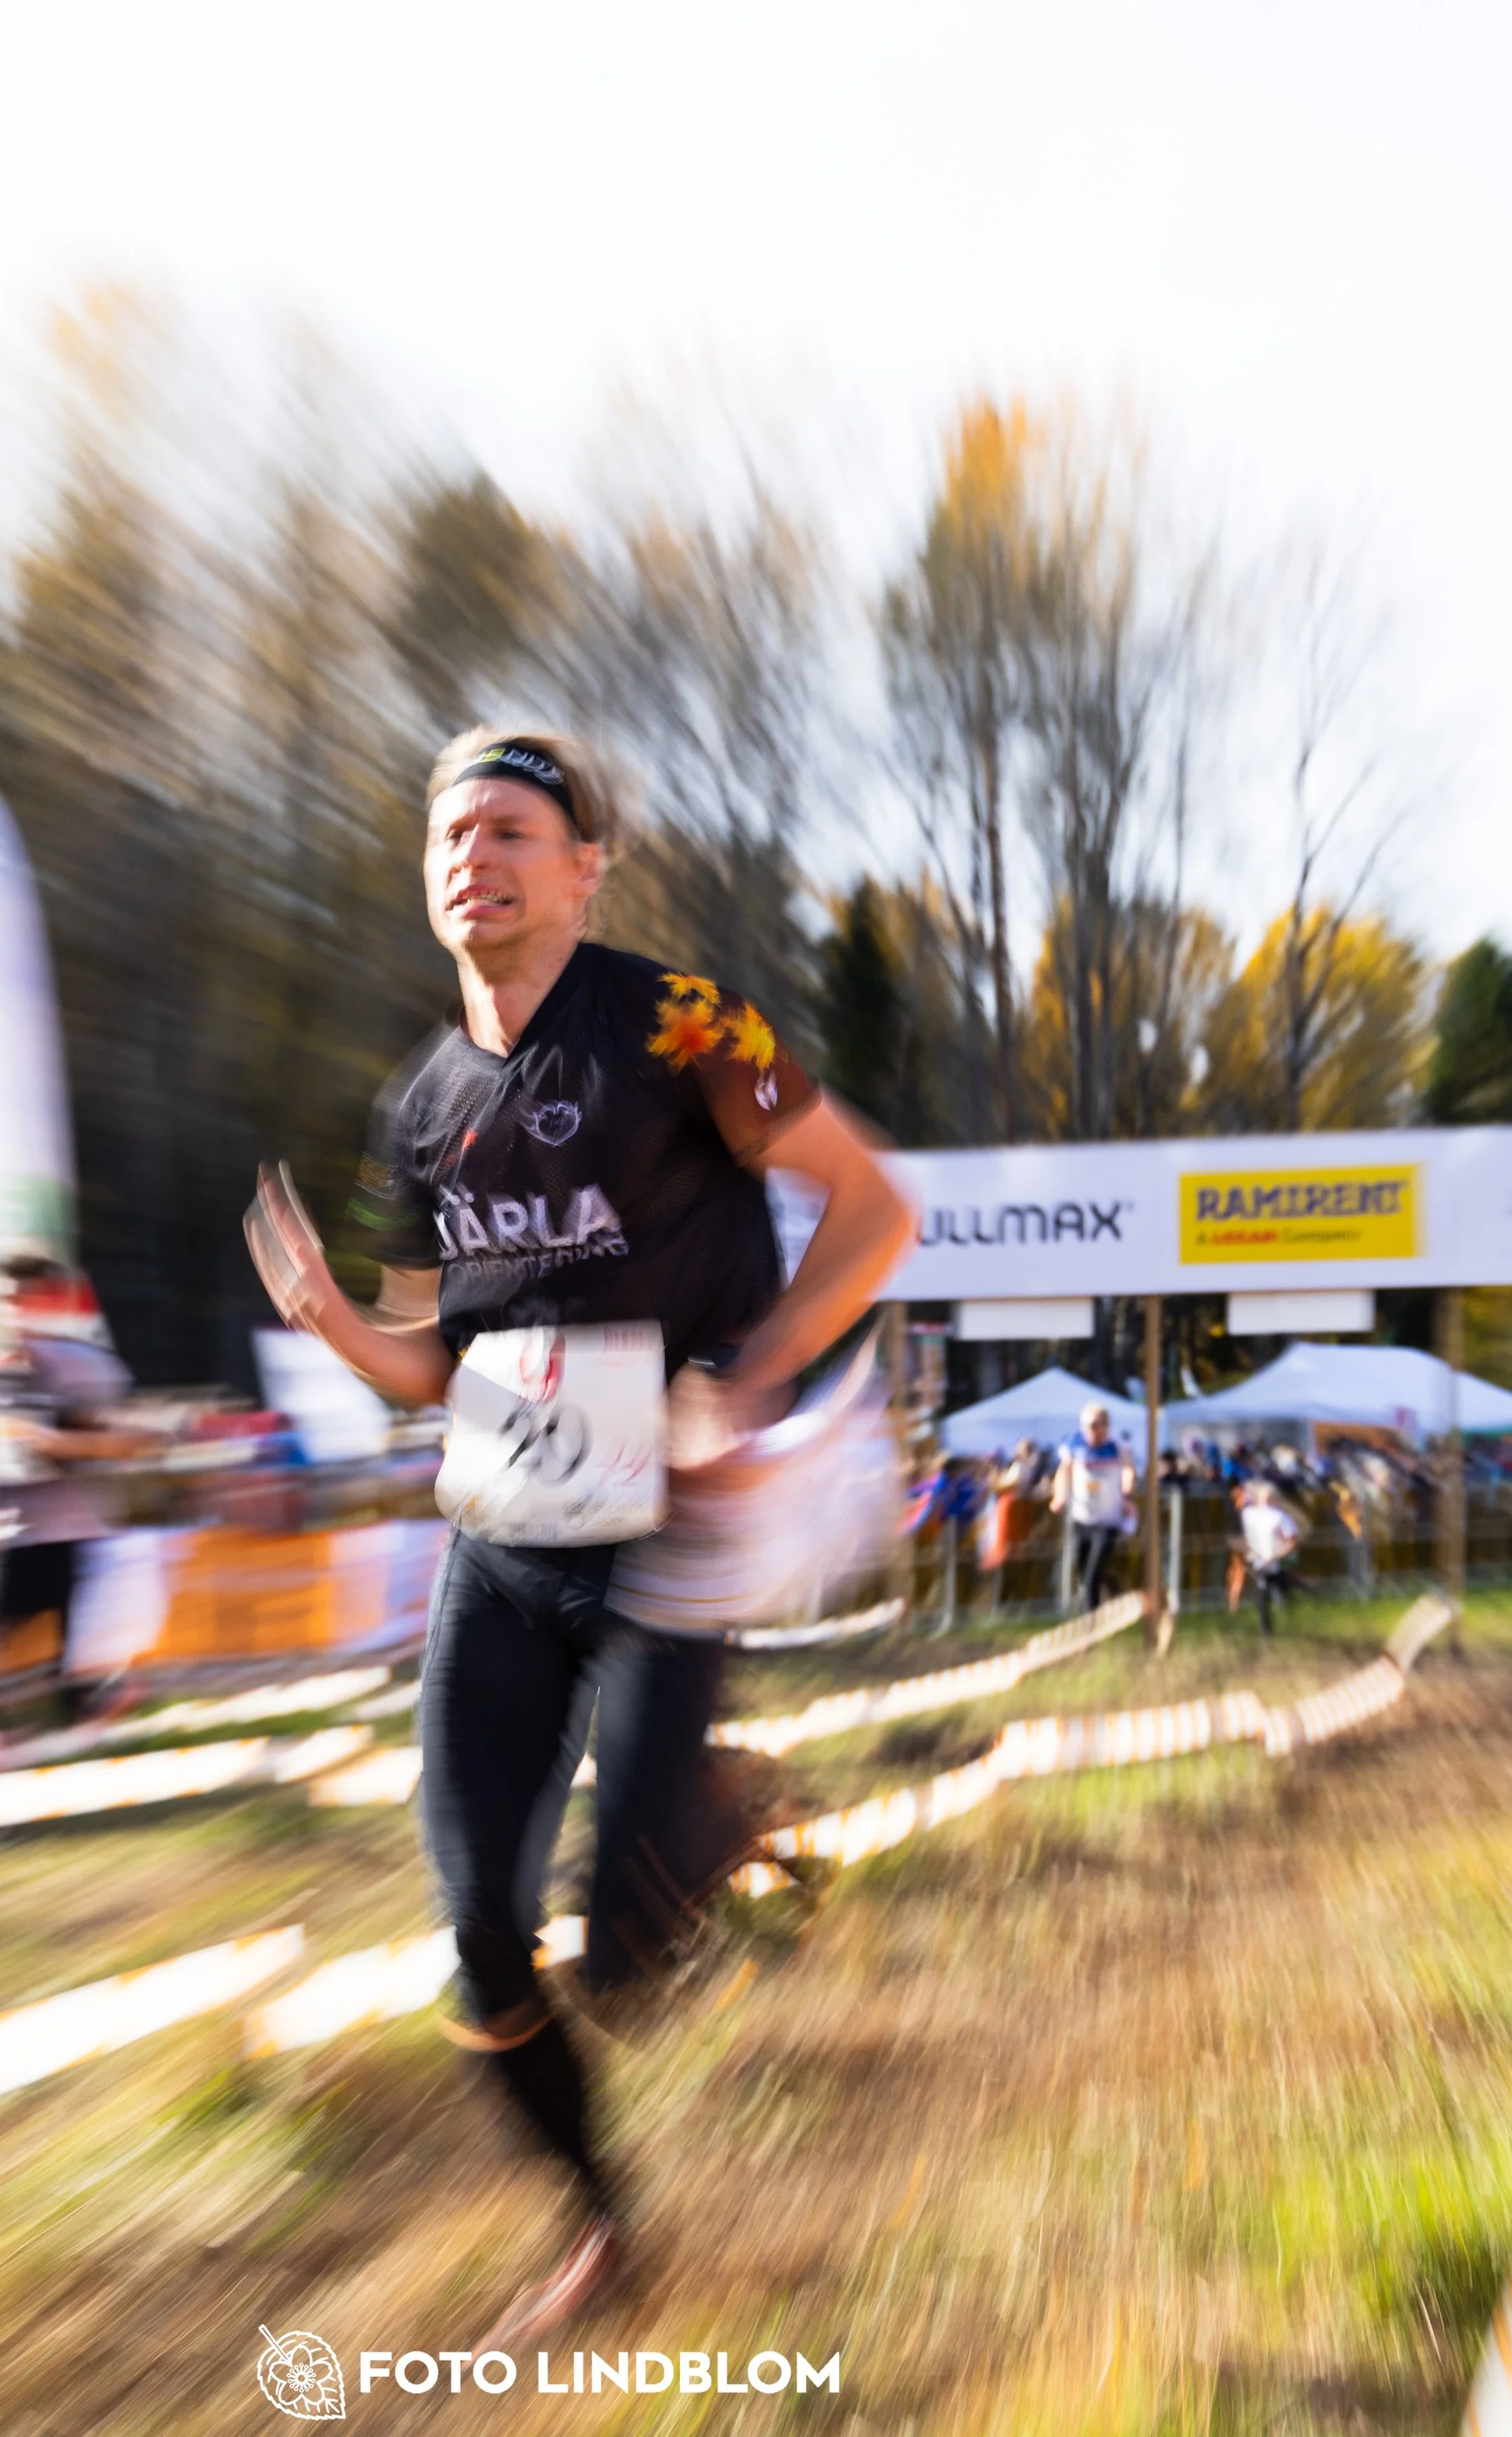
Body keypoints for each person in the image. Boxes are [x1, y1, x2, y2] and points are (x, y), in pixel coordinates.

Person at [244, 725, 913, 2343]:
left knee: (623, 1963)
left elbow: (874, 1205)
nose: (471, 856)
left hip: (667, 1534)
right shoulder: (416, 1104)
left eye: (508, 830)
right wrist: (336, 1322)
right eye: (448, 836)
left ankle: (711, 1806)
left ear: (584, 867)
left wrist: (748, 1374)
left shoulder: (683, 1020)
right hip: (504, 1529)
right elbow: (435, 1358)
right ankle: (599, 2229)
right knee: (479, 1935)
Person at [0, 1253, 161, 1723]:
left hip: (76, 1533)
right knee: (13, 1644)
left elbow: (127, 1439)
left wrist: (51, 1443)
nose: (9, 1310)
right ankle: (66, 1709)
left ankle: (99, 1701)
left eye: (21, 1298)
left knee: (65, 1659)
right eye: (5, 1299)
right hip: (27, 1527)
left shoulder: (83, 1366)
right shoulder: (9, 1371)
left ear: (52, 1301)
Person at [1049, 1400, 1135, 1611]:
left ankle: (1092, 1620)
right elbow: (1063, 1472)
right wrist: (1059, 1496)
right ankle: (1115, 1594)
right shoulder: (1073, 1445)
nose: (1093, 1431)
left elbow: (1128, 1469)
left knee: (1092, 1572)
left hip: (1108, 1519)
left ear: (1106, 1425)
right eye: (1088, 1426)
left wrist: (1127, 1490)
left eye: (1097, 1425)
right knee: (1083, 1571)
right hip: (1082, 1518)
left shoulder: (1117, 1446)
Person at [1238, 1478, 1303, 1635]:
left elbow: (1293, 1541)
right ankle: (1266, 1630)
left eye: (1270, 1497)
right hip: (1260, 1561)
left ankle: (1290, 1608)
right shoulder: (1249, 1514)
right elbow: (1249, 1535)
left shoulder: (1280, 1517)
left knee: (1280, 1587)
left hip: (1276, 1562)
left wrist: (1277, 1555)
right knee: (1263, 1592)